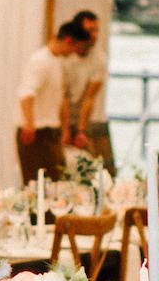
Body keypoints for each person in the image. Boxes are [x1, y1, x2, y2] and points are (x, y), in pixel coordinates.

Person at [15, 11, 102, 182]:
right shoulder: (40, 61)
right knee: (36, 182)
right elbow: (26, 93)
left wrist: (64, 130)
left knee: (56, 180)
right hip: (36, 131)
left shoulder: (56, 62)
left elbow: (61, 98)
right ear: (69, 41)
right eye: (76, 49)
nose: (74, 54)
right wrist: (29, 123)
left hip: (50, 131)